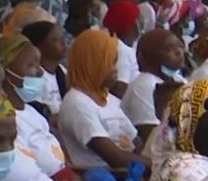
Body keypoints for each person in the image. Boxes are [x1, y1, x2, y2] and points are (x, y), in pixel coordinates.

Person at [0, 34, 66, 181]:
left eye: (39, 64)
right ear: (5, 71)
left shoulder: (33, 113)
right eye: (31, 65)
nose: (40, 72)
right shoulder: (1, 121)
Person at [59, 29, 145, 171]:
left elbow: (136, 141)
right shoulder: (76, 103)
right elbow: (115, 158)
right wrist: (156, 165)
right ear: (93, 64)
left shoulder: (109, 99)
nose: (116, 70)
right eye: (110, 63)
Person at [122, 29, 185, 141]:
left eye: (179, 46)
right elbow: (150, 135)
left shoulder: (178, 79)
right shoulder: (144, 85)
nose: (178, 52)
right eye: (169, 49)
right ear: (151, 54)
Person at [22, 19, 67, 114]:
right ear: (39, 46)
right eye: (56, 40)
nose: (63, 44)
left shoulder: (62, 71)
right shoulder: (33, 77)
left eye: (62, 38)